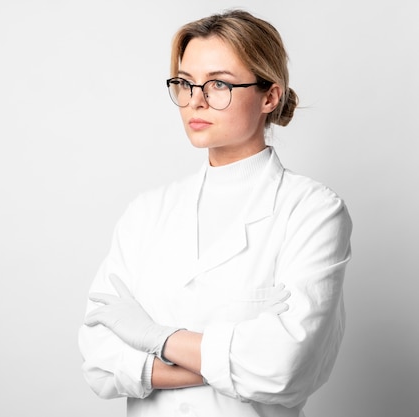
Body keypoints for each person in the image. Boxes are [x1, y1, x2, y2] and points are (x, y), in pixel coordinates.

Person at [78, 9, 352, 417]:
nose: (196, 101)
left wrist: (154, 336)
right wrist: (236, 353)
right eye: (185, 84)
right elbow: (99, 361)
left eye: (219, 84)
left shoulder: (312, 211)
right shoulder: (147, 213)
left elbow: (286, 366)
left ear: (269, 96)